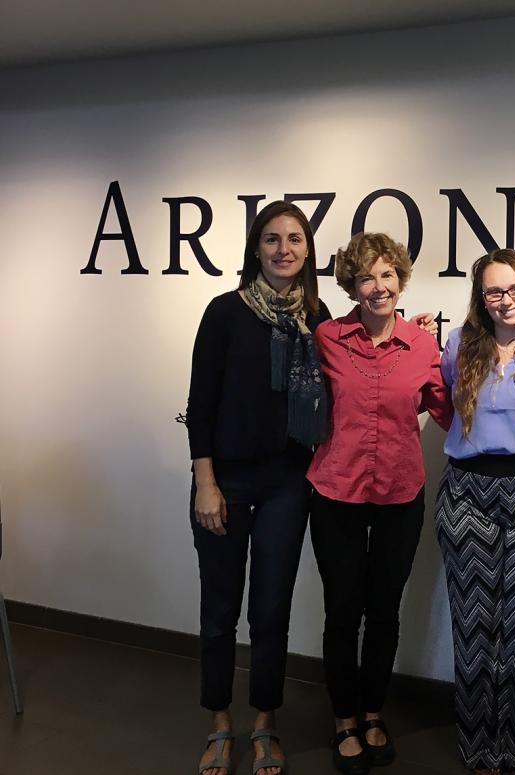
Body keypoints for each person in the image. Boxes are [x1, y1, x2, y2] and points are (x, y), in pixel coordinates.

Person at [186, 200, 329, 775]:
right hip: (224, 480)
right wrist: (206, 483)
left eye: (295, 239)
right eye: (272, 239)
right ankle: (220, 722)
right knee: (220, 609)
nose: (284, 249)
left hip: (288, 484)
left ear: (307, 250)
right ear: (255, 248)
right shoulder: (224, 313)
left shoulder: (318, 319)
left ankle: (264, 721)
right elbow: (200, 405)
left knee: (271, 610)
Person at [306, 232, 452, 775]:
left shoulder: (422, 345)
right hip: (336, 491)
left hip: (398, 493)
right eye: (367, 276)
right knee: (343, 609)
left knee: (384, 610)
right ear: (352, 284)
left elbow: (447, 410)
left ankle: (372, 713)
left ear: (401, 280)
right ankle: (344, 718)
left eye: (388, 275)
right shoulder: (327, 338)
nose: (378, 286)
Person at [435, 249, 515, 775]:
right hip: (467, 496)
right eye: (493, 292)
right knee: (473, 627)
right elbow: (446, 410)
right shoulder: (460, 344)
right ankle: (477, 749)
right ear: (480, 298)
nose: (505, 302)